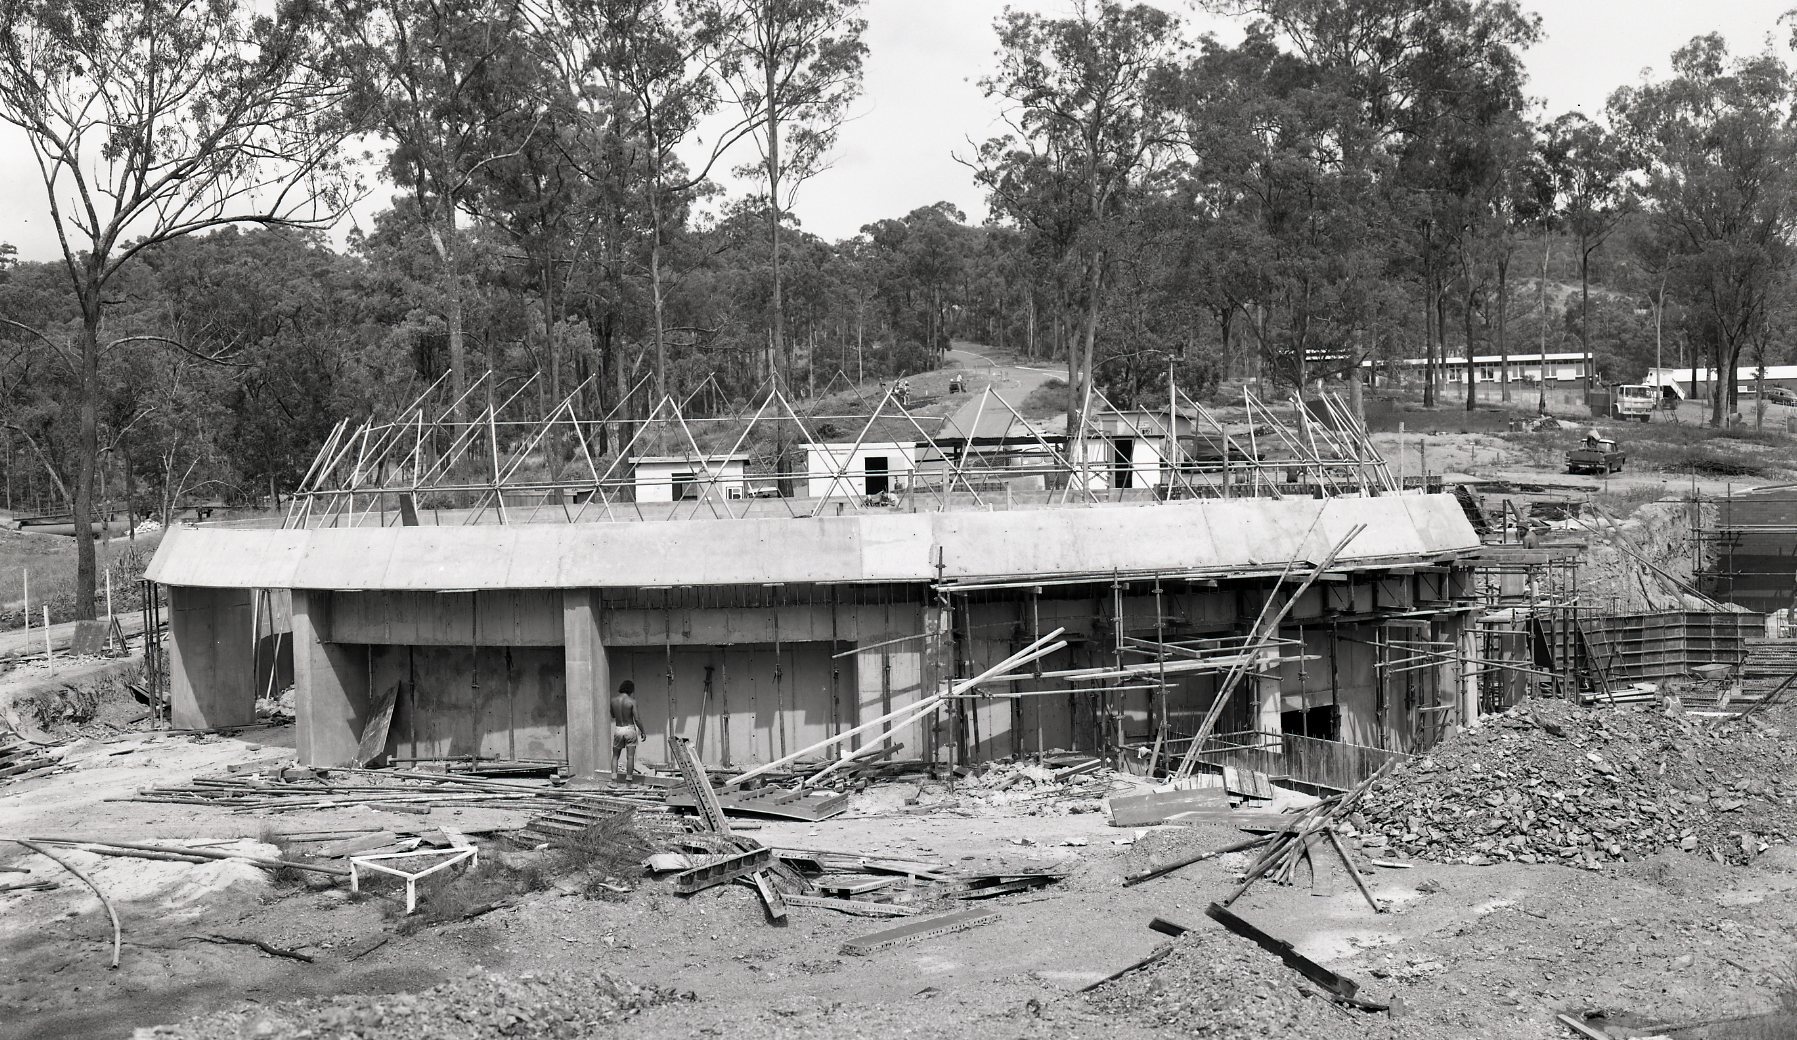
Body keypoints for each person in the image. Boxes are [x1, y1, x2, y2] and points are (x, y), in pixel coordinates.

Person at [610, 679, 642, 780]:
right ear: (631, 690)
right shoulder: (632, 701)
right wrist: (643, 731)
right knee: (630, 757)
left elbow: (613, 715)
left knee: (615, 756)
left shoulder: (613, 701)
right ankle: (628, 783)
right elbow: (637, 719)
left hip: (619, 729)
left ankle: (614, 781)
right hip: (630, 729)